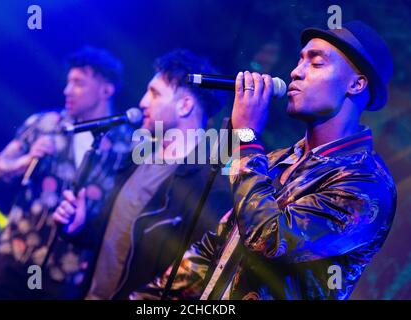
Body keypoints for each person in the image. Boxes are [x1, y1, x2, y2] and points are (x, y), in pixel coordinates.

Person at [130, 21, 397, 300]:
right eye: (299, 60)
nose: (296, 72)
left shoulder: (367, 185)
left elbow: (270, 240)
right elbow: (215, 248)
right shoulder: (275, 160)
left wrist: (246, 137)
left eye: (316, 63)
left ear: (356, 84)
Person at [53, 49, 232, 300]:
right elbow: (114, 240)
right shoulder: (136, 159)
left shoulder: (208, 186)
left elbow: (191, 279)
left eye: (155, 93)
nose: (143, 102)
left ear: (185, 105)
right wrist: (80, 227)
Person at [0, 46, 134, 299]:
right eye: (68, 82)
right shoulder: (44, 124)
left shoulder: (127, 146)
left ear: (106, 89)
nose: (67, 90)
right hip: (14, 256)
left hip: (67, 272)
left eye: (78, 83)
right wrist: (24, 161)